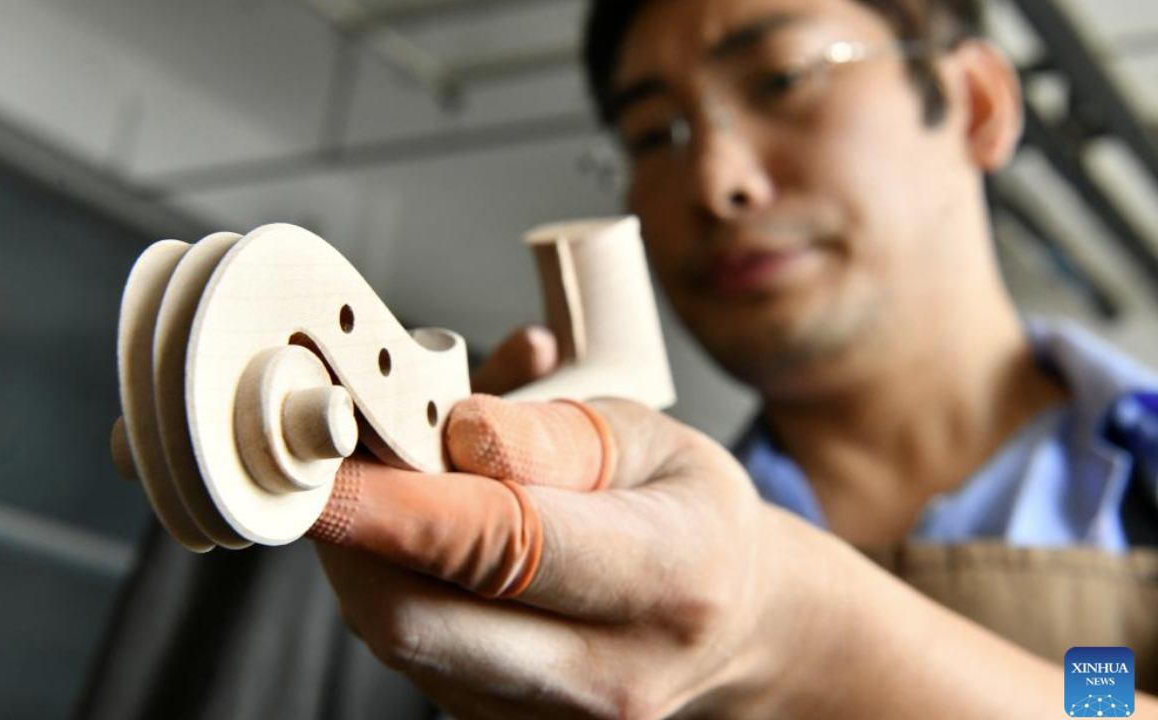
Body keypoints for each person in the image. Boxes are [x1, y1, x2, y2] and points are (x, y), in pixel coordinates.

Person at [312, 0, 1158, 717]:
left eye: (783, 79)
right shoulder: (640, 547)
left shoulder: (1139, 477)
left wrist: (803, 633)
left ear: (975, 104)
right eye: (654, 135)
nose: (715, 182)